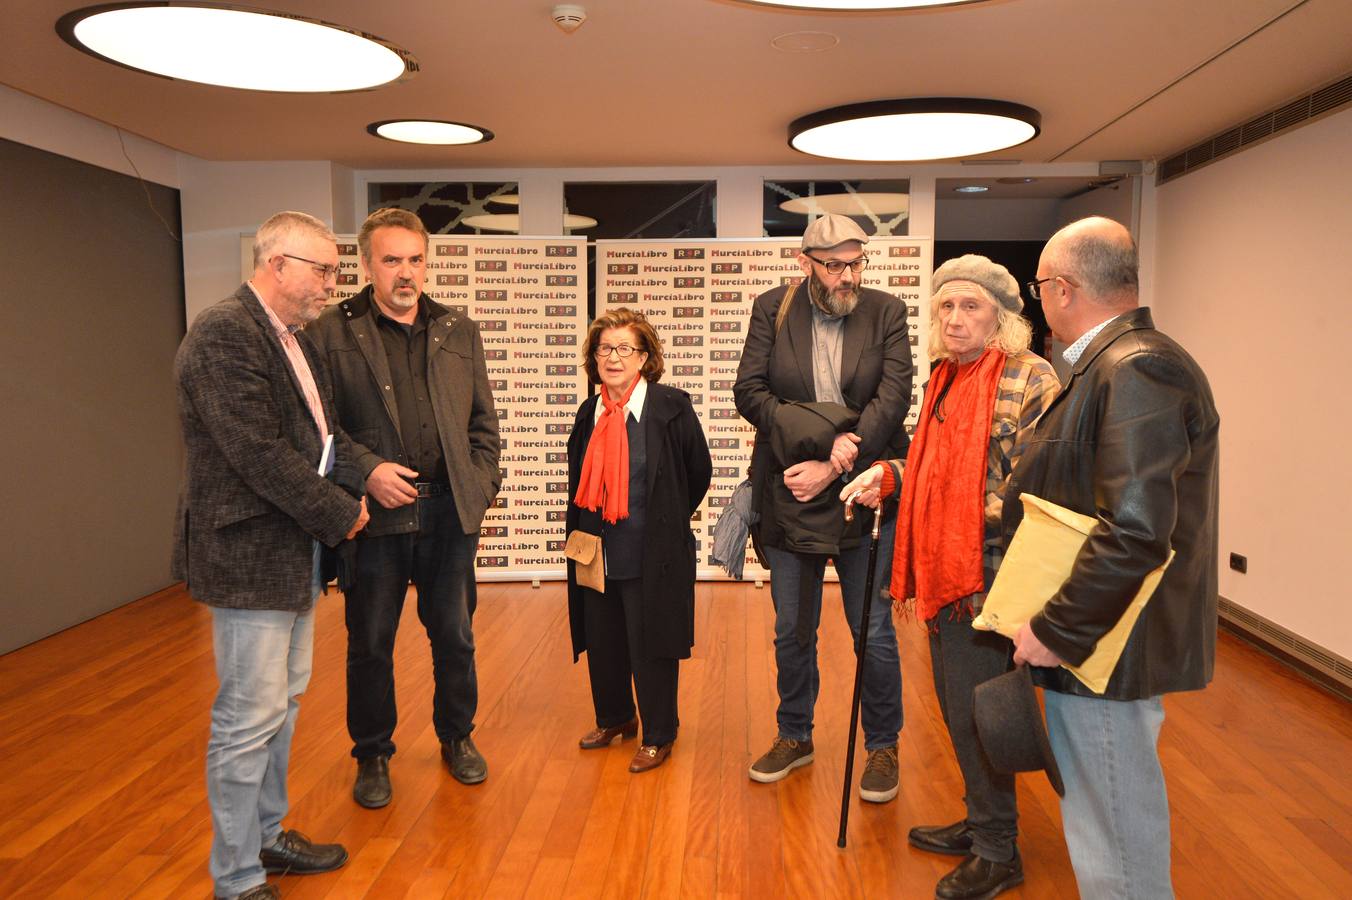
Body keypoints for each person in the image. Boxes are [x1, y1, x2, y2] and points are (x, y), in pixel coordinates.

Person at [1006, 217, 1219, 898]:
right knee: (1102, 817)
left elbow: (1132, 529)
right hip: (1101, 636)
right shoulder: (1112, 363)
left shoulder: (1135, 367)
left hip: (1105, 646)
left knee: (1115, 832)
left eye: (1039, 288)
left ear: (1064, 289)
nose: (1039, 301)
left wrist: (1056, 629)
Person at [842, 255, 1059, 899]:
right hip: (942, 572)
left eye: (972, 307)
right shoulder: (944, 376)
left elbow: (1036, 490)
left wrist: (946, 508)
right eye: (946, 307)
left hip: (992, 577)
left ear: (1002, 318)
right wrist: (891, 477)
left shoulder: (1030, 379)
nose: (956, 318)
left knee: (985, 713)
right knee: (959, 711)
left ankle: (998, 851)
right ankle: (980, 820)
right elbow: (928, 465)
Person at [173, 211, 370, 900]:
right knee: (246, 718)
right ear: (277, 264)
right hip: (251, 556)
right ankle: (236, 876)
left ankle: (267, 836)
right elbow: (259, 455)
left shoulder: (295, 340)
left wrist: (366, 476)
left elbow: (325, 437)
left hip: (294, 556)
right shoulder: (224, 334)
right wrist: (344, 513)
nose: (332, 283)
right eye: (323, 270)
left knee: (280, 706)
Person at [307, 208, 501, 808]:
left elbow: (482, 425)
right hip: (373, 518)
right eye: (392, 260)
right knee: (370, 641)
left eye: (415, 259)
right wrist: (367, 472)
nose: (406, 273)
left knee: (455, 635)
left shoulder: (458, 330)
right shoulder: (330, 334)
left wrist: (479, 482)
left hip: (447, 516)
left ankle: (457, 737)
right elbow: (319, 429)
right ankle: (372, 754)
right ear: (366, 264)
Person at [734, 213, 912, 801]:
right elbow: (751, 392)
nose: (847, 276)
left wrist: (837, 461)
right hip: (790, 487)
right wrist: (817, 445)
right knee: (793, 629)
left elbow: (892, 398)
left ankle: (882, 746)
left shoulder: (885, 311)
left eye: (856, 263)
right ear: (803, 261)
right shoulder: (771, 309)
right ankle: (795, 734)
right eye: (833, 265)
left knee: (874, 631)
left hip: (863, 489)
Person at [565, 308, 712, 773]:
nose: (613, 357)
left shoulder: (672, 407)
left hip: (652, 551)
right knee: (604, 638)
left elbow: (697, 472)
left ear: (645, 356)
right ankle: (615, 718)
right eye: (604, 349)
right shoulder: (589, 412)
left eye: (624, 348)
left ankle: (658, 733)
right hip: (597, 549)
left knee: (652, 642)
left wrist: (666, 520)